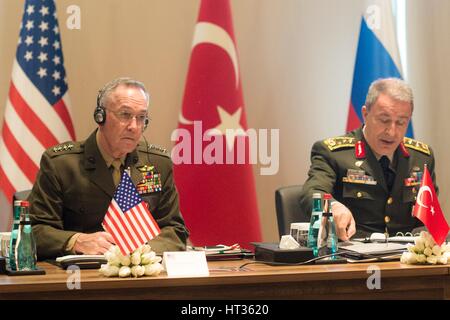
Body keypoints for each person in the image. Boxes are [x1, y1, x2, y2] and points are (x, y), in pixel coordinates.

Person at [29, 77, 189, 259]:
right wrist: (75, 241)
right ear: (100, 117)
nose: (134, 127)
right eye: (125, 115)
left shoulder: (157, 163)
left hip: (141, 272)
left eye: (141, 118)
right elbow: (35, 230)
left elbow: (175, 230)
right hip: (81, 275)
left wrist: (141, 252)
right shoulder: (61, 164)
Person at [299, 78, 438, 241]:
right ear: (365, 114)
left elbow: (430, 217)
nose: (391, 132)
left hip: (406, 257)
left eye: (401, 122)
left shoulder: (422, 157)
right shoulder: (333, 153)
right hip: (353, 256)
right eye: (384, 120)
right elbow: (312, 192)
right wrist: (333, 207)